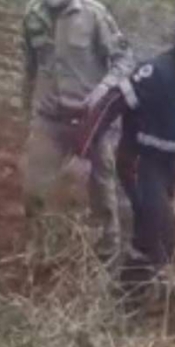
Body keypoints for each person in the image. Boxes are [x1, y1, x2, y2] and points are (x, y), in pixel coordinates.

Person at [78, 22, 175, 281]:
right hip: (139, 161)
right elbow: (113, 103)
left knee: (145, 232)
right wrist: (86, 143)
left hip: (170, 165)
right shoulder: (156, 73)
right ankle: (170, 273)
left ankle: (129, 293)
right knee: (161, 227)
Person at [22, 0, 135, 257]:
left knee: (101, 190)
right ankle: (43, 246)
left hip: (90, 118)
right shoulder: (32, 15)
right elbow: (30, 67)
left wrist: (103, 91)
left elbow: (125, 60)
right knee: (34, 189)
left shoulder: (94, 14)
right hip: (48, 117)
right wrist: (27, 111)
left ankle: (107, 251)